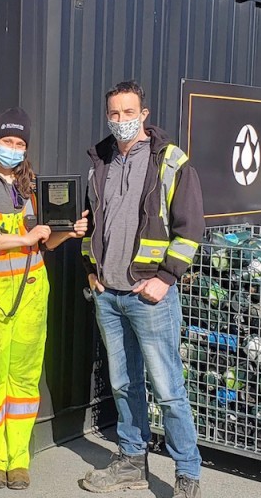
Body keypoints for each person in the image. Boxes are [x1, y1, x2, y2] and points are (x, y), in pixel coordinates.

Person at [80, 81, 204, 498]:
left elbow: (190, 230)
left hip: (149, 295)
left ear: (144, 114)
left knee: (168, 390)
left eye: (128, 112)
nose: (120, 121)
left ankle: (188, 473)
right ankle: (132, 459)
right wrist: (90, 271)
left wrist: (165, 278)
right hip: (109, 294)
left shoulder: (171, 162)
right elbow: (93, 223)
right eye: (113, 114)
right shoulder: (101, 162)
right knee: (123, 384)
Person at [0, 106, 88, 490]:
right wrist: (25, 238)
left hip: (31, 297)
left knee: (25, 383)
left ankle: (19, 460)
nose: (12, 148)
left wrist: (69, 232)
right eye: (6, 141)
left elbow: (44, 244)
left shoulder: (31, 188)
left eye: (19, 143)